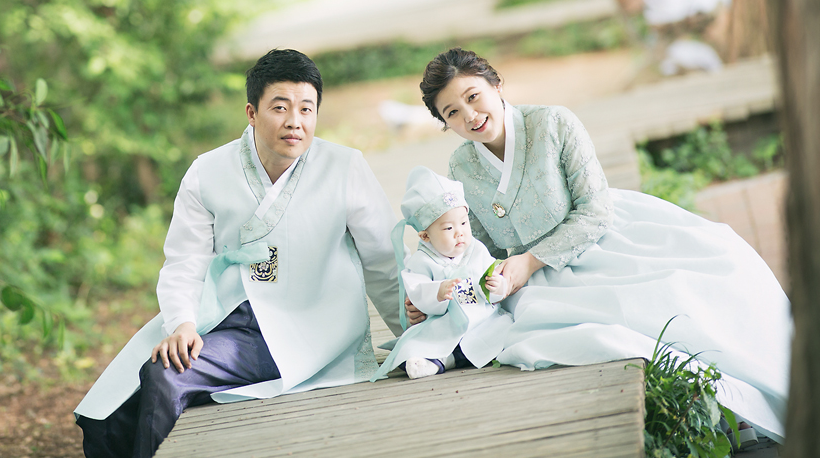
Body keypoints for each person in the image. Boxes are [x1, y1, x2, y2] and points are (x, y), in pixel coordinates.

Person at [415, 47, 790, 442]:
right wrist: (435, 291)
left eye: (473, 96)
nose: (470, 115)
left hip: (600, 238)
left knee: (686, 291)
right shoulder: (461, 165)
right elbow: (475, 249)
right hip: (537, 276)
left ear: (497, 85)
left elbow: (595, 210)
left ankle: (740, 407)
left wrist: (531, 261)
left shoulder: (553, 123)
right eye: (452, 112)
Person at [74, 49, 403, 458]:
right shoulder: (207, 171)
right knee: (106, 418)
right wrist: (182, 324)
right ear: (251, 112)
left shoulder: (344, 167)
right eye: (280, 108)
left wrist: (417, 335)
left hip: (301, 329)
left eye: (306, 109)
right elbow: (185, 262)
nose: (295, 121)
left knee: (166, 374)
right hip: (220, 318)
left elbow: (384, 263)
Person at [370, 166, 513, 382]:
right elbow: (417, 291)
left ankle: (448, 359)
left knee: (503, 330)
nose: (460, 233)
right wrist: (437, 292)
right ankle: (439, 359)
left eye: (463, 223)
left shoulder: (476, 250)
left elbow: (493, 274)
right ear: (425, 236)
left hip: (483, 318)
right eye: (448, 228)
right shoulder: (421, 261)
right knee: (416, 344)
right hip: (445, 323)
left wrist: (497, 287)